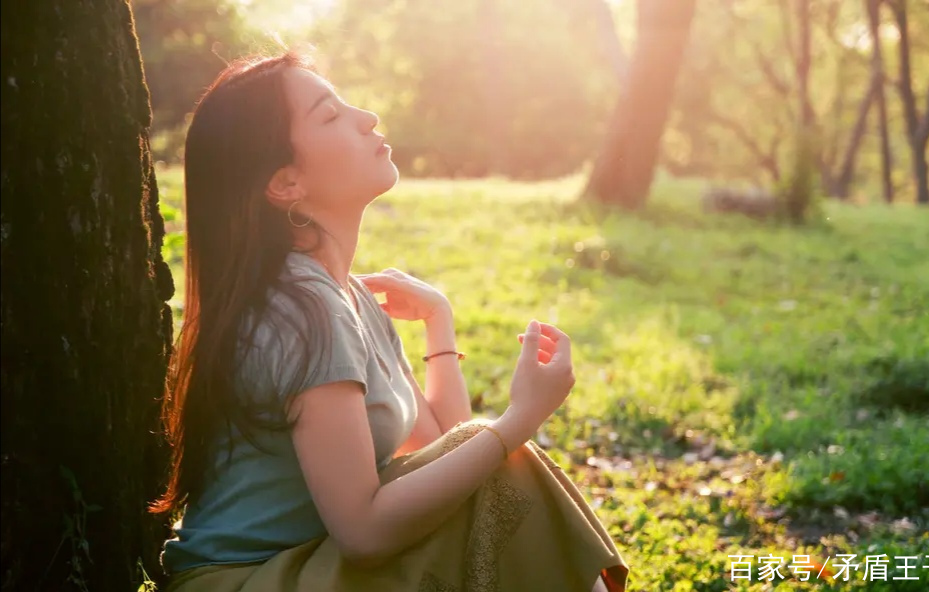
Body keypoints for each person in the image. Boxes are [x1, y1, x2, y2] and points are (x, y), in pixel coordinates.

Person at [151, 52, 630, 592]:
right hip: (248, 581)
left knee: (498, 467)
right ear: (286, 183)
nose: (367, 118)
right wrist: (519, 420)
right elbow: (365, 532)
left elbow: (443, 452)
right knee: (505, 462)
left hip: (309, 565)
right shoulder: (303, 310)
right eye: (330, 116)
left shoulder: (343, 294)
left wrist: (437, 321)